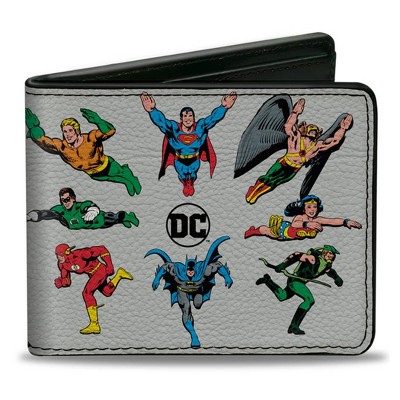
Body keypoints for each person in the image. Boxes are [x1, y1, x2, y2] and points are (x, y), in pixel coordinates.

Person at [245, 98, 353, 204]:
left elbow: (334, 141)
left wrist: (343, 129)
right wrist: (295, 112)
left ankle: (257, 194)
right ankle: (253, 190)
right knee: (268, 178)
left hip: (294, 169)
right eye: (311, 128)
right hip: (283, 163)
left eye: (315, 130)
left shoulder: (316, 146)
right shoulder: (296, 137)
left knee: (275, 182)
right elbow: (288, 126)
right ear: (306, 129)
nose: (313, 131)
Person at [25, 108, 141, 196]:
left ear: (77, 130)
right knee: (114, 179)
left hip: (108, 165)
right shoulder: (62, 147)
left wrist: (98, 121)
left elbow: (110, 131)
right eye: (65, 131)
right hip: (92, 174)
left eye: (70, 130)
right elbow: (44, 142)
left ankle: (129, 176)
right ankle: (126, 180)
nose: (67, 134)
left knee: (120, 174)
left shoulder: (90, 138)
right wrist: (34, 128)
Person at [140, 91, 237, 196]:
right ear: (181, 119)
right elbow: (162, 122)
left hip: (195, 160)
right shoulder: (174, 129)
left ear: (194, 118)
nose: (188, 119)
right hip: (179, 161)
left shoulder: (200, 128)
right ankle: (185, 183)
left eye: (190, 116)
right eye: (185, 116)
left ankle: (191, 183)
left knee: (192, 174)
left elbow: (213, 118)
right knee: (182, 175)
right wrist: (152, 110)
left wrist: (223, 107)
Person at [145, 236, 233, 348]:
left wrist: (227, 277)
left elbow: (218, 265)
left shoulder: (202, 271)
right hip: (182, 291)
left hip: (198, 290)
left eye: (192, 269)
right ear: (186, 268)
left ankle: (198, 300)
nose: (190, 272)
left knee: (197, 304)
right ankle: (194, 336)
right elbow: (165, 266)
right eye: (189, 269)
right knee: (186, 310)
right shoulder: (177, 270)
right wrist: (157, 279)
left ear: (195, 268)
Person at [256, 245, 343, 335]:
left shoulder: (326, 264)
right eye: (330, 253)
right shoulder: (313, 258)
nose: (332, 255)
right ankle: (294, 326)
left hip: (301, 283)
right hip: (295, 281)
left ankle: (267, 280)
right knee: (309, 300)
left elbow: (330, 271)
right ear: (324, 252)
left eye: (333, 254)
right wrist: (283, 265)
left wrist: (337, 278)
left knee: (282, 296)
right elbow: (297, 255)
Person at [54, 243, 133, 334]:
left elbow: (102, 249)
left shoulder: (81, 254)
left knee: (86, 293)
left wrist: (109, 265)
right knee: (107, 291)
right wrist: (61, 283)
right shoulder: (62, 264)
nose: (58, 257)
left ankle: (94, 324)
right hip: (92, 274)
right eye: (57, 255)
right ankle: (119, 275)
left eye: (60, 254)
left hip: (100, 270)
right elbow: (67, 281)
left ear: (67, 252)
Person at [244, 194, 362, 240]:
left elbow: (332, 221)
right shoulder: (300, 216)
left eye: (314, 207)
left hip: (291, 236)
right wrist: (307, 224)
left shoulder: (317, 219)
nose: (312, 210)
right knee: (267, 231)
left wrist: (346, 221)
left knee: (272, 234)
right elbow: (295, 224)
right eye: (309, 207)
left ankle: (305, 233)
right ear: (304, 209)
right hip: (284, 230)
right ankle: (253, 231)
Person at [27, 187, 139, 229]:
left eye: (68, 199)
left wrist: (92, 210)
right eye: (63, 200)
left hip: (98, 221)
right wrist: (35, 215)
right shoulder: (59, 209)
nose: (66, 202)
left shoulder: (79, 206)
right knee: (56, 215)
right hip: (73, 224)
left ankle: (127, 216)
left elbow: (87, 205)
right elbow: (50, 213)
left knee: (114, 219)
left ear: (73, 198)